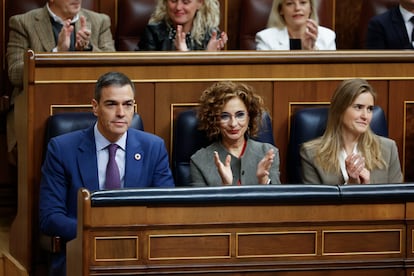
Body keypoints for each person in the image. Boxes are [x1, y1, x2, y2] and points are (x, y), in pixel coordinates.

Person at [39, 71, 175, 275]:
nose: (121, 112)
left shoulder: (153, 148)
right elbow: (50, 217)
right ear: (95, 107)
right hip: (83, 250)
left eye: (127, 104)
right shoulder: (62, 149)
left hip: (138, 252)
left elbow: (166, 208)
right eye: (111, 104)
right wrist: (97, 234)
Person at [6, 0, 115, 165]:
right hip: (37, 107)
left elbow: (113, 69)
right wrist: (56, 53)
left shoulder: (100, 21)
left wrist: (88, 50)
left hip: (88, 103)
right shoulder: (22, 23)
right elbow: (14, 73)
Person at [300, 78, 403, 185]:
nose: (365, 116)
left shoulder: (388, 149)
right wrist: (351, 184)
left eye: (370, 109)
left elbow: (399, 198)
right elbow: (315, 201)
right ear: (339, 110)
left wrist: (367, 188)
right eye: (358, 107)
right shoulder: (311, 154)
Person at [190, 81, 281, 186]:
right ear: (214, 120)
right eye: (224, 116)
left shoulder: (268, 153)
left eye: (240, 115)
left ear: (249, 116)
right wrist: (225, 186)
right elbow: (200, 202)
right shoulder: (199, 160)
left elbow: (277, 201)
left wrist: (263, 180)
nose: (233, 124)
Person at [136, 0, 228, 51]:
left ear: (200, 3)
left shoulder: (211, 35)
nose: (178, 7)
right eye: (173, 1)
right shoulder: (153, 32)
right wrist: (180, 56)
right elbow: (146, 73)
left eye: (186, 2)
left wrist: (210, 57)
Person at [255, 0, 336, 50]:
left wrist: (311, 52)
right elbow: (266, 74)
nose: (297, 8)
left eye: (303, 2)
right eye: (290, 3)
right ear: (280, 10)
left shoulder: (328, 37)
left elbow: (330, 74)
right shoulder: (265, 38)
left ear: (311, 8)